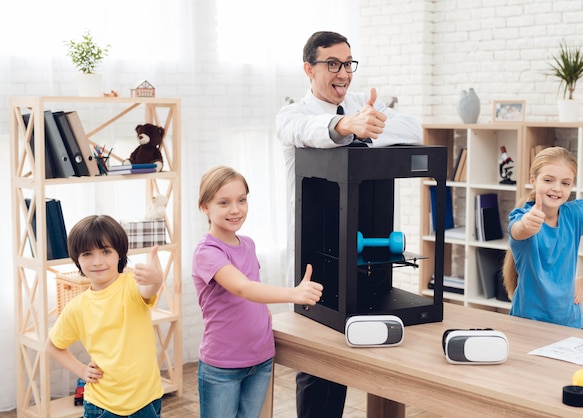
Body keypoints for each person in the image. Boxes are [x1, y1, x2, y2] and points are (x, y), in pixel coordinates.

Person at [275, 30, 422, 418]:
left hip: (360, 251)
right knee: (319, 364)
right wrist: (346, 128)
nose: (343, 73)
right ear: (309, 68)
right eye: (332, 64)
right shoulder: (293, 114)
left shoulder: (360, 104)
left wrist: (369, 127)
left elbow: (413, 130)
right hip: (313, 256)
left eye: (348, 64)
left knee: (351, 352)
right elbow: (302, 133)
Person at [192, 165, 323, 418]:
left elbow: (252, 285)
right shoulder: (207, 252)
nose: (235, 209)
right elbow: (242, 287)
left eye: (242, 200)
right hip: (222, 366)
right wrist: (294, 294)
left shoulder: (248, 244)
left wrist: (264, 314)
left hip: (260, 358)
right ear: (205, 207)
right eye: (224, 202)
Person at [46, 215, 164, 417]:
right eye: (87, 254)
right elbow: (53, 346)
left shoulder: (131, 285)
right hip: (102, 406)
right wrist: (82, 371)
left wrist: (156, 279)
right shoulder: (77, 307)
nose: (97, 261)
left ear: (119, 254)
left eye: (106, 251)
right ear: (77, 260)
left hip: (148, 401)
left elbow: (147, 289)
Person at [503, 146, 583, 328]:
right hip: (527, 322)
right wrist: (528, 224)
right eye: (548, 180)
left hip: (570, 322)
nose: (557, 188)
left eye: (565, 183)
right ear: (533, 181)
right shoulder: (522, 217)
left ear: (572, 186)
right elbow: (519, 230)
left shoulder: (577, 214)